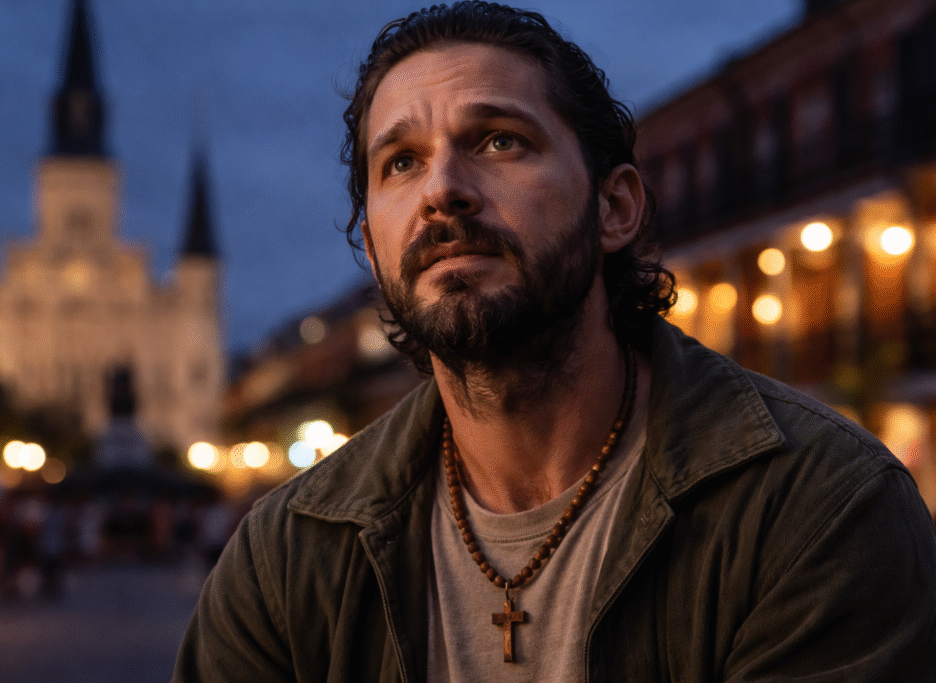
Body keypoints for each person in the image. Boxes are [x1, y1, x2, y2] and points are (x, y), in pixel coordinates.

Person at [174, 3, 936, 681]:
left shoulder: (819, 507)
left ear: (616, 207)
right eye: (400, 162)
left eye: (500, 140)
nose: (442, 189)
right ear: (371, 245)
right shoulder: (286, 558)